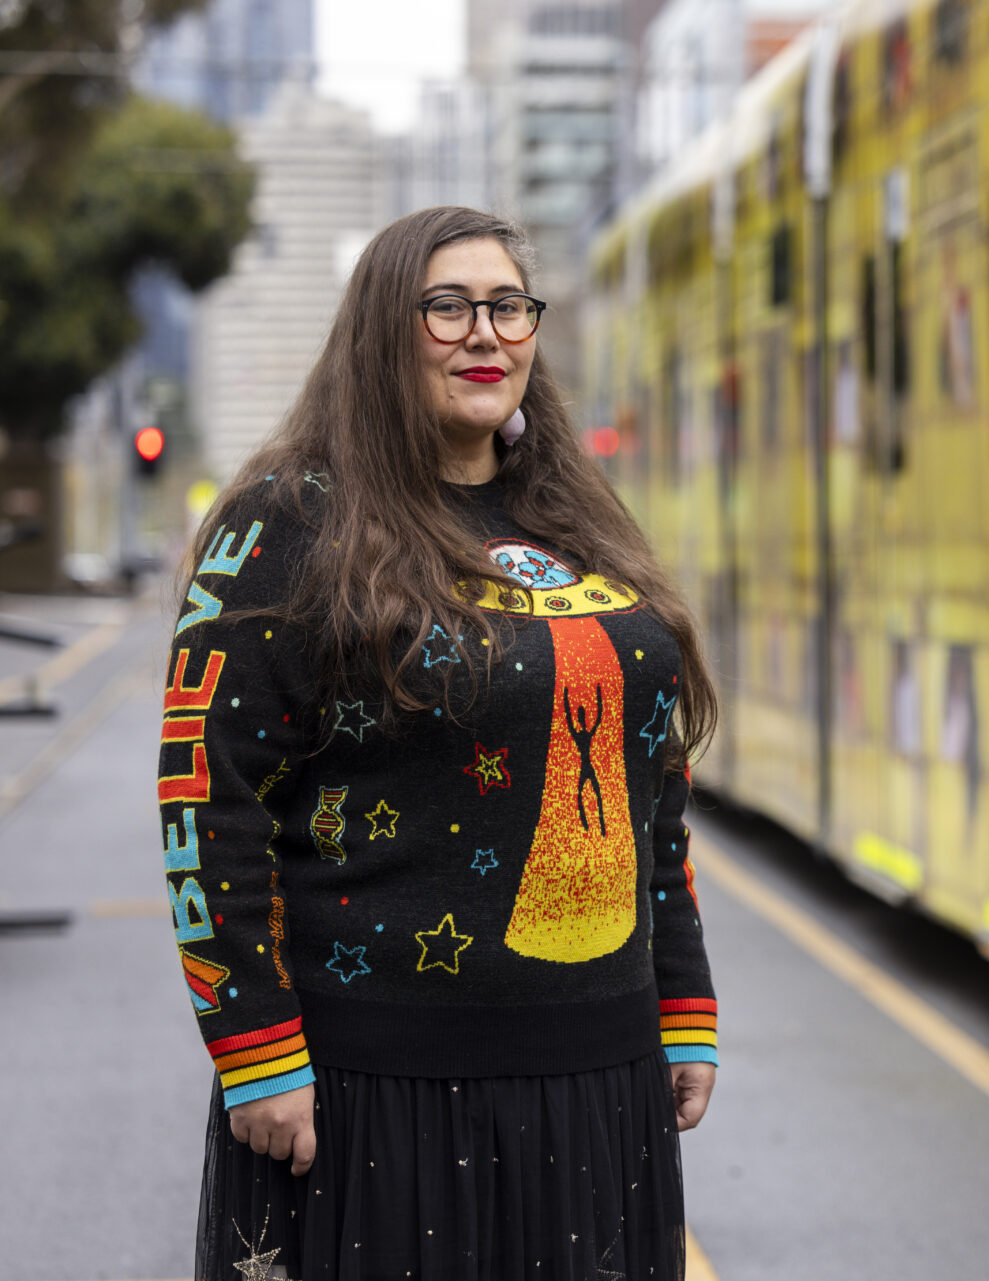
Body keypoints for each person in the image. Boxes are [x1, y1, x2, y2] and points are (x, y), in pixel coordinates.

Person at [159, 206, 719, 1281]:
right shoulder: (286, 520)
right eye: (448, 307)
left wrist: (682, 1008)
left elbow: (653, 788)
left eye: (510, 307)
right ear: (382, 329)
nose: (487, 334)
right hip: (374, 1090)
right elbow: (207, 798)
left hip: (599, 1077)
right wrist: (253, 1048)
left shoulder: (575, 515)